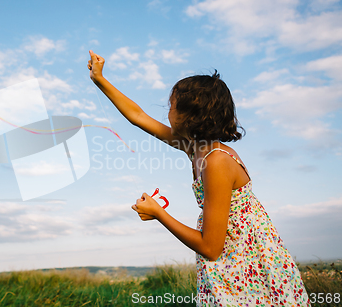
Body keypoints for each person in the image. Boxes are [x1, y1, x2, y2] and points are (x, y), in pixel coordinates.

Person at [87, 50, 310, 306]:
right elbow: (138, 116)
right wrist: (100, 80)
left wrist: (159, 214)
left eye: (171, 106)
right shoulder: (194, 147)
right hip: (233, 262)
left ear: (190, 117)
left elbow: (210, 248)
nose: (166, 112)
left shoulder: (215, 161)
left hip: (248, 266)